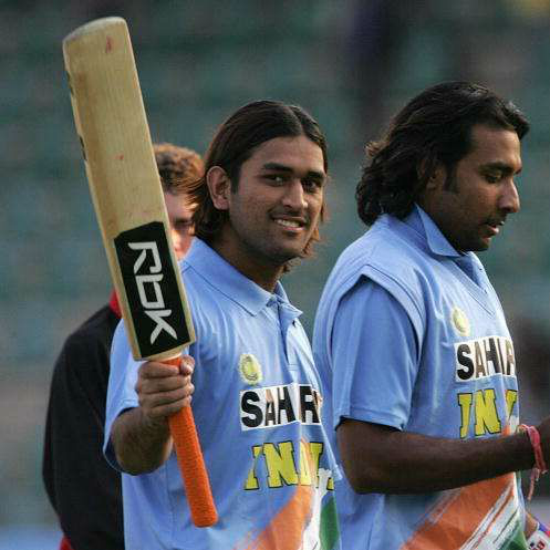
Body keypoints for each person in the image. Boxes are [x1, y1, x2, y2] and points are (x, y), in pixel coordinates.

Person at [313, 81, 550, 549]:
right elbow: (369, 460)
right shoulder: (383, 278)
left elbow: (471, 453)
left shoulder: (463, 267)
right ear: (430, 171)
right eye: (493, 175)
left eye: (514, 176)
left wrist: (532, 534)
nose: (512, 199)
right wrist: (532, 448)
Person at [103, 100, 341, 550]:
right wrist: (153, 415)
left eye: (312, 183)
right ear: (220, 189)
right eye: (276, 178)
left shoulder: (284, 318)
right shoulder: (175, 308)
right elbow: (131, 453)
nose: (297, 200)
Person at [43, 143, 204, 550]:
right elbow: (90, 514)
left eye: (185, 224)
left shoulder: (234, 334)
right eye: (153, 224)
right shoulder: (89, 350)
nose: (169, 241)